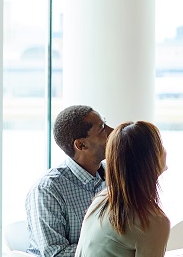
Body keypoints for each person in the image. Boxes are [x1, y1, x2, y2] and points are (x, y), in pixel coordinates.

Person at [25, 105, 114, 257]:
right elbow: (56, 253)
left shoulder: (114, 175)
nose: (113, 132)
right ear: (81, 145)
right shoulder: (47, 190)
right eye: (102, 129)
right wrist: (115, 249)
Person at [75, 121, 171, 257]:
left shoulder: (103, 198)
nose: (165, 151)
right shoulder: (152, 221)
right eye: (160, 146)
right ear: (149, 160)